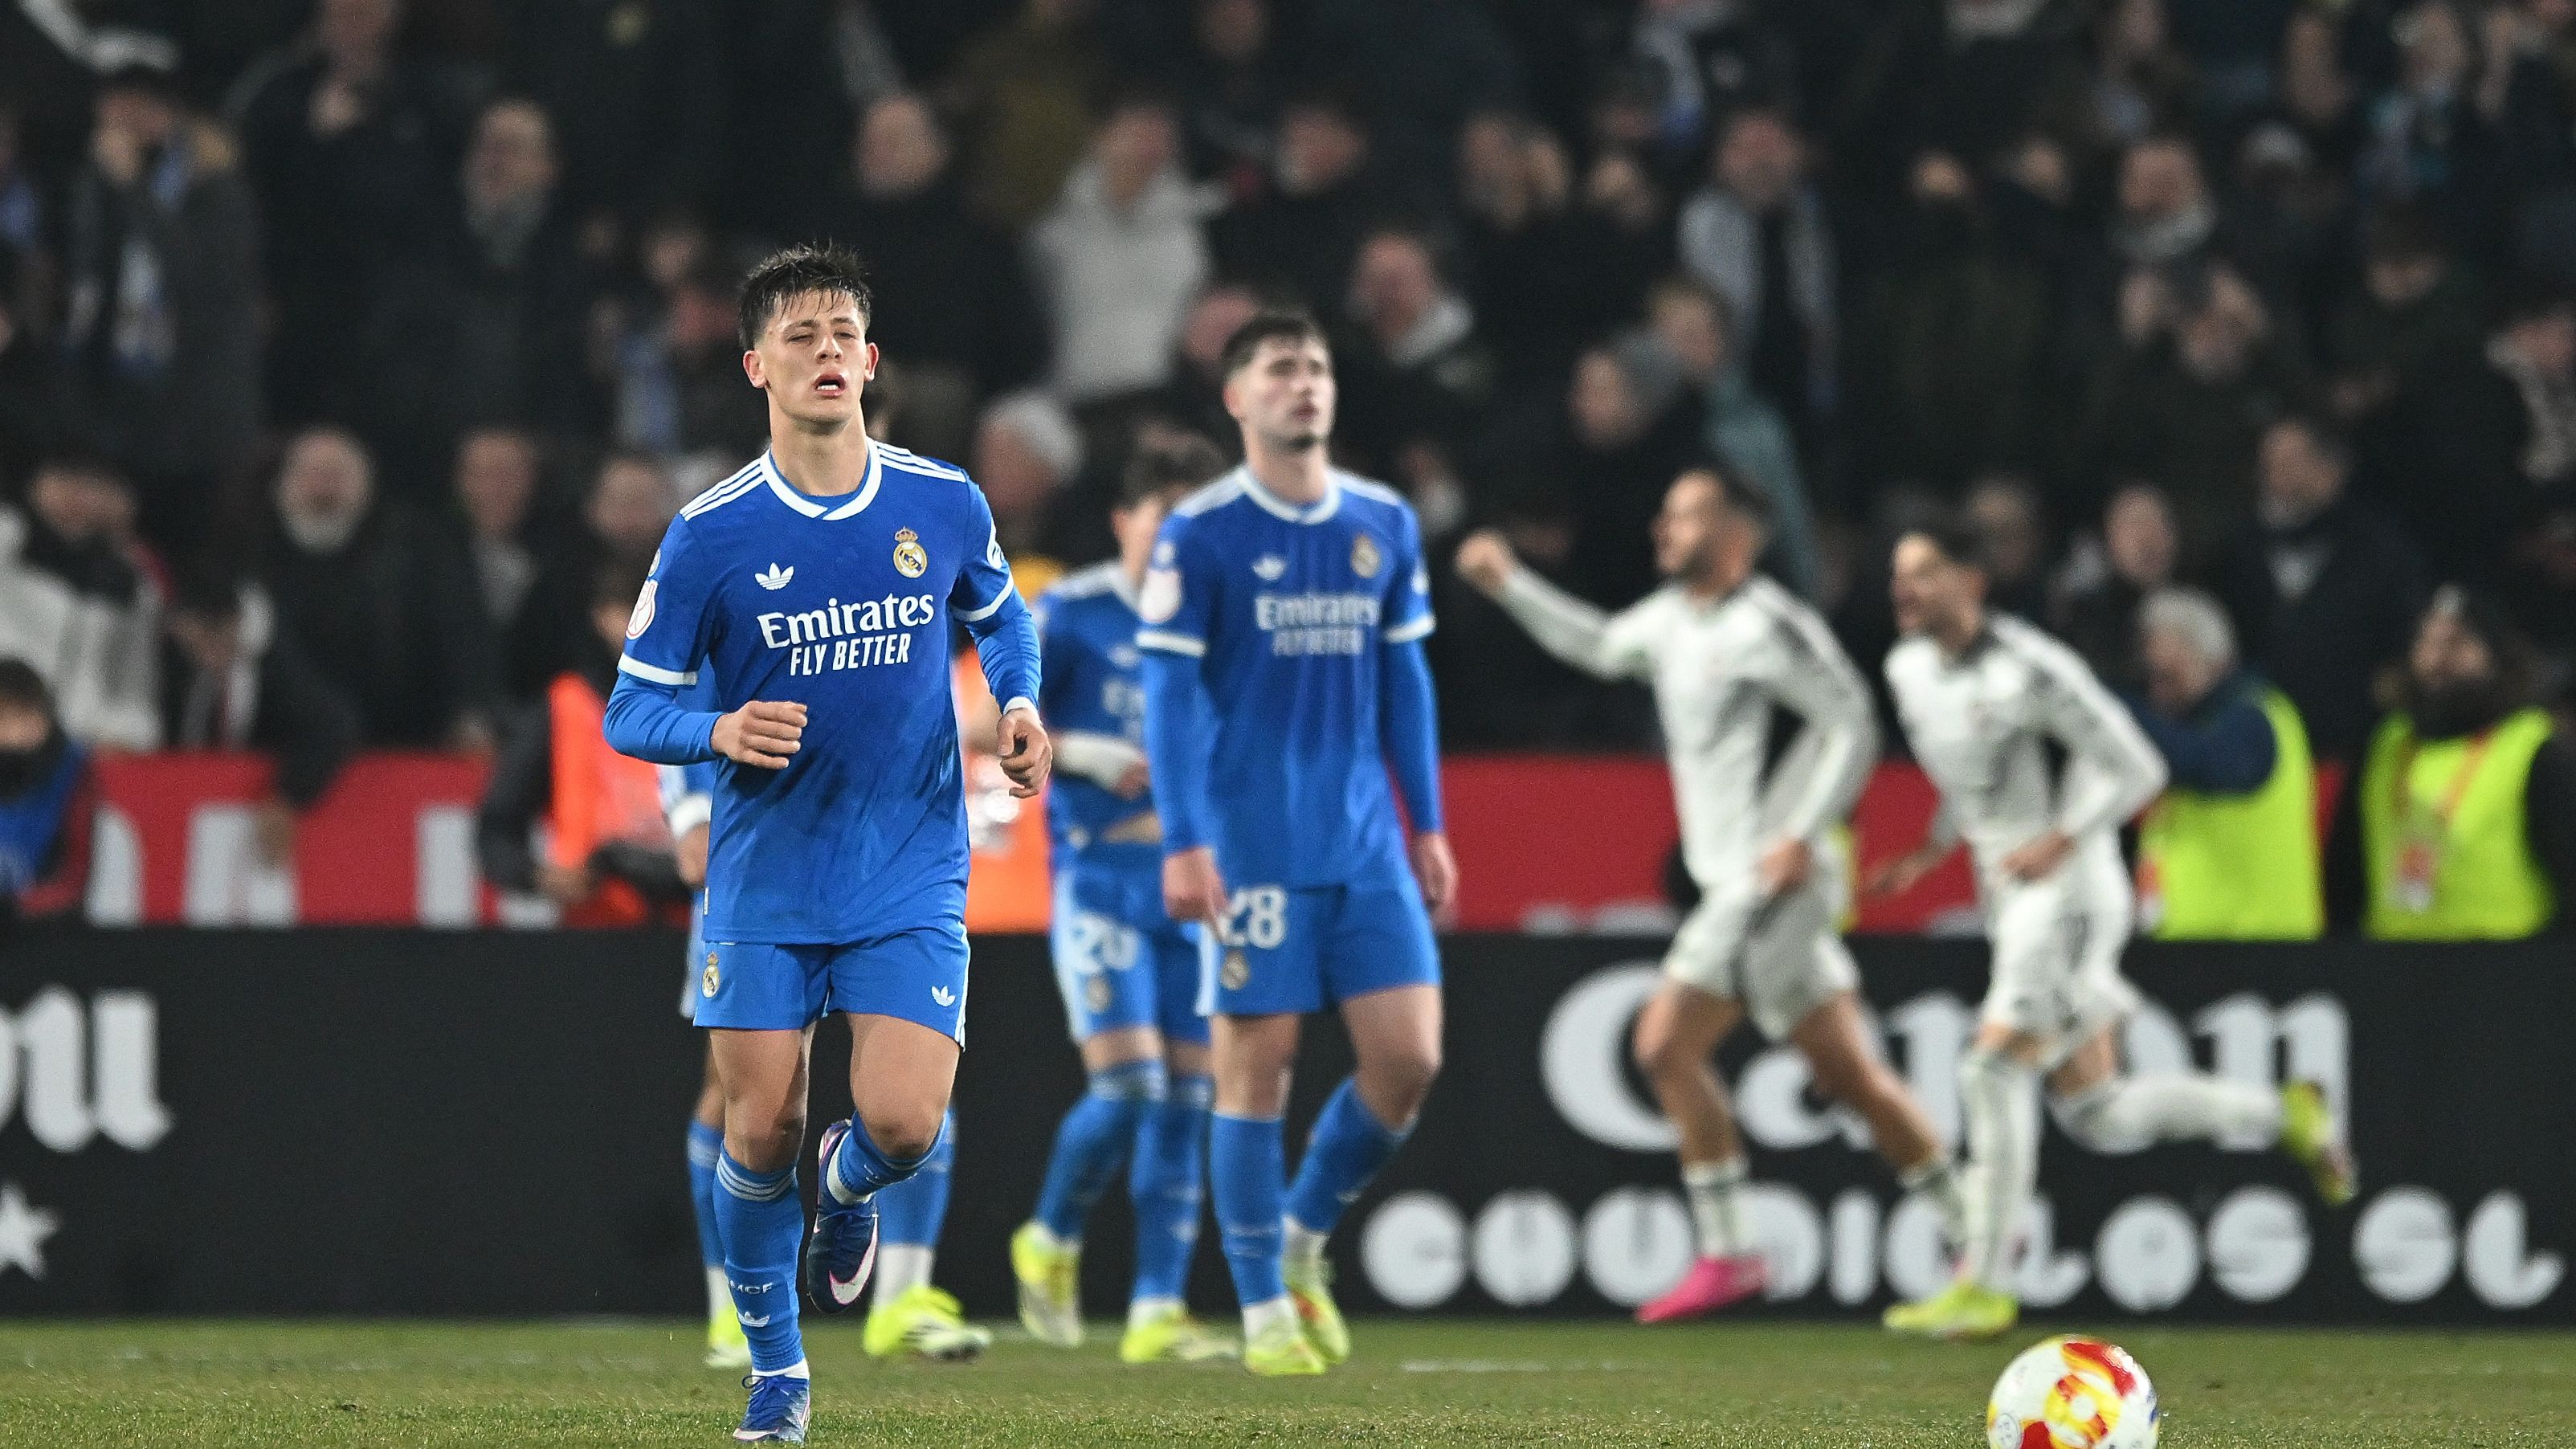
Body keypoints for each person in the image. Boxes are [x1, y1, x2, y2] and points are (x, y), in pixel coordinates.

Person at [602, 244, 1050, 1443]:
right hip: (766, 870)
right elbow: (628, 710)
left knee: (900, 1126)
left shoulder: (941, 500)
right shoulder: (708, 534)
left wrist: (1016, 708)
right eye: (799, 335)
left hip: (907, 859)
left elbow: (1003, 621)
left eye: (843, 333)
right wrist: (717, 728)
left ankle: (845, 1196)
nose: (826, 353)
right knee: (758, 1129)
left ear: (870, 359)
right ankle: (778, 1375)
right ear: (756, 366)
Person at [1453, 464, 1966, 1325]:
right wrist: (1512, 585)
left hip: (1773, 880)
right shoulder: (1669, 620)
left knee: (1662, 1046)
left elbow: (1853, 721)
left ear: (1735, 535)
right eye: (1664, 512)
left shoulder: (1772, 626)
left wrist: (1801, 829)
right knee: (1852, 1077)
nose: (1663, 528)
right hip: (1742, 881)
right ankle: (1978, 1225)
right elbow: (1601, 645)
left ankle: (1731, 1250)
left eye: (1683, 515)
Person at [1870, 520, 2354, 1341]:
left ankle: (1984, 1280)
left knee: (1991, 1069)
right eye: (1898, 574)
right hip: (2013, 894)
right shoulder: (1907, 668)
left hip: (2071, 890)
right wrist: (1931, 847)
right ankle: (2285, 1115)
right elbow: (1977, 775)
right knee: (2099, 1111)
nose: (1904, 590)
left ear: (1972, 581)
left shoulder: (2035, 666)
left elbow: (2140, 766)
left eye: (1924, 572)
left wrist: (2063, 834)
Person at [1137, 310, 1452, 1377]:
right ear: (1236, 400)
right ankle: (1263, 1307)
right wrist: (1184, 842)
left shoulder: (1382, 522)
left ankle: (1305, 1232)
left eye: (1315, 366)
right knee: (1254, 1070)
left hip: (1363, 843)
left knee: (1407, 1062)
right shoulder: (1202, 532)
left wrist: (1429, 822)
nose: (1303, 384)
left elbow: (1403, 681)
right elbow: (1169, 700)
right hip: (1248, 845)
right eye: (1279, 369)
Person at [1010, 433, 1237, 1366]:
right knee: (1133, 1084)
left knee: (1189, 1095)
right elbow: (986, 715)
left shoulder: (1223, 622)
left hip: (1192, 883)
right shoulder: (1071, 610)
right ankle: (1051, 1235)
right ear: (1123, 522)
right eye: (1161, 519)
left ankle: (1154, 1309)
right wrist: (1087, 753)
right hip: (1100, 878)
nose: (1177, 539)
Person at [2327, 587, 2576, 939]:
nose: (2437, 658)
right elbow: (2345, 869)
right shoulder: (2386, 743)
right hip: (2391, 969)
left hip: (2504, 971)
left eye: (2457, 642)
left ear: (2495, 656)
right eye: (2427, 641)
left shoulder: (2530, 746)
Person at [474, 560, 690, 926]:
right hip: (595, 928)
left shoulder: (710, 704)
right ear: (603, 617)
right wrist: (539, 876)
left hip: (692, 928)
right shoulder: (564, 708)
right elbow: (496, 825)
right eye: (635, 610)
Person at [2127, 587, 2323, 941]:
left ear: (2214, 659)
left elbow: (2203, 762)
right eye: (2152, 679)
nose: (2156, 693)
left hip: (2260, 954)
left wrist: (2116, 709)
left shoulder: (2257, 717)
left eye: (2170, 677)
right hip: (2191, 950)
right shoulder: (2188, 726)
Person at [0, 658, 96, 938]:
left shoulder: (73, 772)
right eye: (6, 719)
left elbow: (77, 876)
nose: (17, 731)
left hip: (45, 935)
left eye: (26, 717)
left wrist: (14, 907)